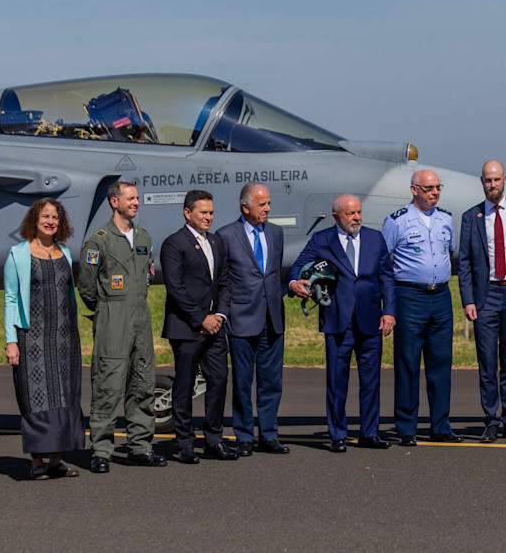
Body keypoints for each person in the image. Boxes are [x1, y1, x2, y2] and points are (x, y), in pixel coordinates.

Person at [289, 194, 396, 453]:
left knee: (371, 381)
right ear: (337, 216)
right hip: (338, 321)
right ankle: (337, 434)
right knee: (337, 381)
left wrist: (390, 312)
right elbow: (298, 266)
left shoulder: (375, 238)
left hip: (371, 320)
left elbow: (387, 278)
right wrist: (294, 283)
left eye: (358, 212)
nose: (356, 217)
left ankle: (369, 433)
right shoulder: (322, 240)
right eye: (350, 214)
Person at [75, 181, 166, 472]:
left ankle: (140, 447)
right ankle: (101, 450)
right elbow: (86, 286)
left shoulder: (144, 237)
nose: (136, 203)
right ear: (114, 202)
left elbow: (148, 273)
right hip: (112, 318)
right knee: (108, 385)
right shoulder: (98, 241)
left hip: (141, 316)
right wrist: (106, 310)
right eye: (130, 198)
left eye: (137, 198)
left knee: (142, 383)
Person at [3, 198, 85, 480]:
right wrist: (10, 340)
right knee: (35, 396)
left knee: (64, 393)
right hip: (31, 336)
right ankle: (37, 462)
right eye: (45, 217)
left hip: (64, 337)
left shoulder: (63, 251)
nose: (51, 221)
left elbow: (70, 293)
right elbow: (11, 299)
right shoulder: (18, 254)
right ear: (34, 221)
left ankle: (56, 461)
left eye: (56, 217)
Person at [458, 160, 506, 442]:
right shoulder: (472, 217)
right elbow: (465, 262)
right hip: (485, 297)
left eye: (497, 180)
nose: (493, 185)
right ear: (482, 182)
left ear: (505, 179)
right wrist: (467, 299)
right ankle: (491, 420)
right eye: (488, 180)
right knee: (487, 362)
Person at [381, 169, 461, 445]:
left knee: (441, 363)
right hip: (409, 297)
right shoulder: (396, 221)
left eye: (438, 187)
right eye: (428, 188)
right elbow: (384, 262)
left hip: (440, 296)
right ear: (414, 190)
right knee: (408, 364)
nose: (434, 193)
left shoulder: (446, 219)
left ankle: (441, 425)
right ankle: (406, 428)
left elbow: (448, 253)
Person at [159, 190, 236, 464]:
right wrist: (201, 317)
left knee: (219, 379)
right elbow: (176, 288)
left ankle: (214, 440)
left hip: (216, 327)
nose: (208, 217)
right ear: (187, 213)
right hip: (187, 327)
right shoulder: (173, 244)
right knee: (185, 386)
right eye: (203, 212)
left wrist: (220, 315)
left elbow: (225, 282)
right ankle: (185, 443)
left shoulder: (216, 242)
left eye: (211, 212)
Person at [216, 182, 288, 456]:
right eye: (262, 204)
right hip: (242, 319)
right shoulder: (225, 235)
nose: (268, 209)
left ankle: (268, 435)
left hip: (272, 319)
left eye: (269, 203)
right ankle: (244, 436)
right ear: (245, 207)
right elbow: (222, 280)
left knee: (272, 382)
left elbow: (274, 275)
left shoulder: (276, 233)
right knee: (243, 383)